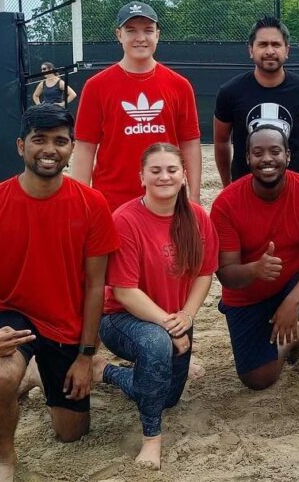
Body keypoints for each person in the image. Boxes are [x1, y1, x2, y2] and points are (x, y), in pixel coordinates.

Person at [0, 104, 119, 482]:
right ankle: (6, 458)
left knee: (71, 434)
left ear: (72, 148)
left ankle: (33, 376)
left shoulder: (93, 204)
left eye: (60, 141)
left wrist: (86, 356)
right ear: (20, 146)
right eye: (39, 140)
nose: (49, 149)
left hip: (67, 324)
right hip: (14, 315)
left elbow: (97, 286)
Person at [95, 143, 218, 470]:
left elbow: (205, 274)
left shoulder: (198, 218)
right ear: (142, 177)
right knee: (155, 344)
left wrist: (186, 317)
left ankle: (104, 372)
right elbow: (123, 292)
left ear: (183, 175)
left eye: (172, 170)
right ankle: (152, 438)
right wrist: (169, 326)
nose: (164, 176)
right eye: (156, 170)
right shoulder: (125, 219)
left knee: (168, 397)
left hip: (175, 318)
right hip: (121, 319)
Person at [210, 124, 299, 415]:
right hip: (250, 293)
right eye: (258, 152)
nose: (267, 159)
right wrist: (254, 270)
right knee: (257, 379)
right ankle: (293, 338)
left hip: (296, 281)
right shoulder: (226, 202)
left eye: (275, 151)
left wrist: (293, 300)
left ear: (288, 154)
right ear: (247, 158)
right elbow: (225, 273)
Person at [71, 1, 202, 208]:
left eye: (148, 30)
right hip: (112, 201)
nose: (140, 38)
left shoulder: (179, 85)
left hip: (167, 199)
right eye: (131, 31)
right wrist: (81, 201)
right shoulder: (96, 86)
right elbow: (85, 147)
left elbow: (190, 142)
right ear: (119, 35)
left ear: (157, 34)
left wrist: (194, 196)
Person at [213, 15, 299, 186]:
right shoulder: (230, 92)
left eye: (276, 44)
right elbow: (221, 141)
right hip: (246, 187)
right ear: (250, 50)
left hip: (295, 187)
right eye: (263, 44)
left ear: (287, 50)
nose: (270, 50)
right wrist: (228, 185)